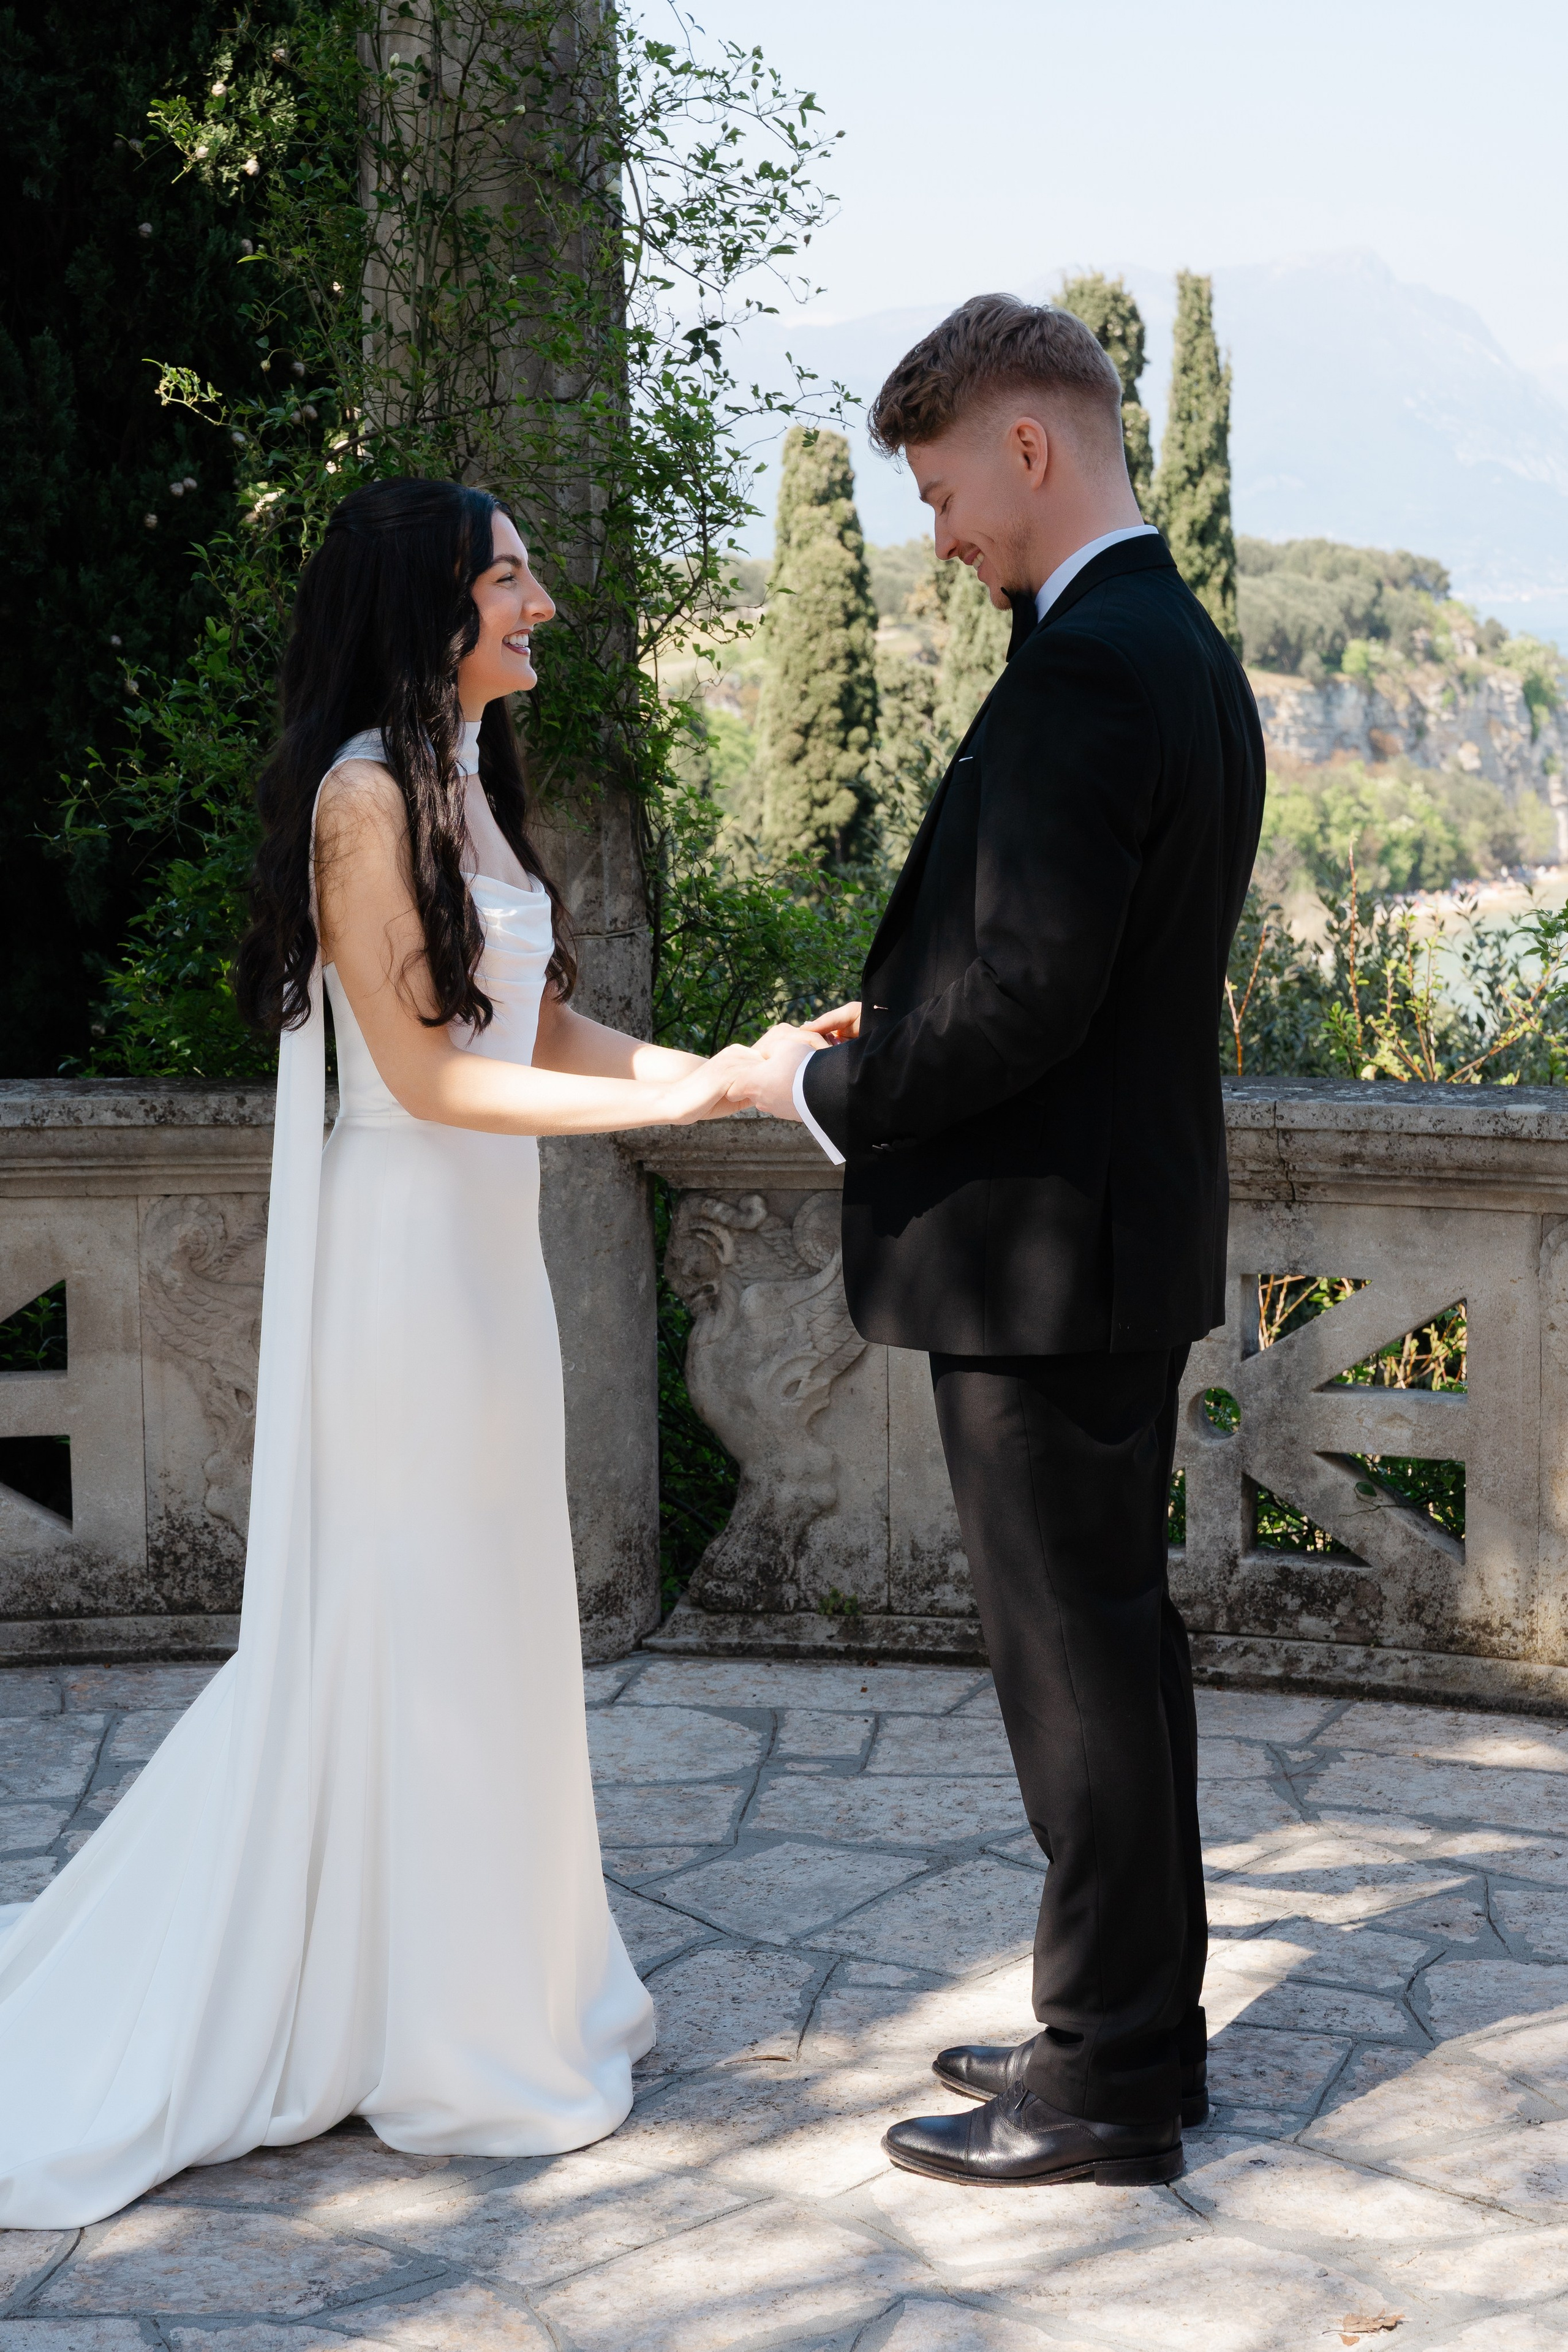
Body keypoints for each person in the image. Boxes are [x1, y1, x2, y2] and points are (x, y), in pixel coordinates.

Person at [0, 477, 755, 2228]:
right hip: (408, 1275)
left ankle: (481, 1988)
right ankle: (419, 2024)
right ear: (431, 607)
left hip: (487, 1279)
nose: (542, 602)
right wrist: (683, 1103)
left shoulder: (466, 787)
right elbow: (422, 1084)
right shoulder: (359, 798)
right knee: (408, 1621)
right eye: (509, 578)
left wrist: (733, 1072)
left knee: (490, 1614)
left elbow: (544, 1024)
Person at [733, 296, 1265, 2187]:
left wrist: (828, 1093)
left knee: (1075, 1670)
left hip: (1049, 1263)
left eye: (948, 492)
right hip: (1104, 1240)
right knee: (1113, 1653)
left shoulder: (1092, 667)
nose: (941, 537)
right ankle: (1137, 2032)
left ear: (1029, 448)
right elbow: (1071, 970)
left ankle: (1107, 2083)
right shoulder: (1165, 642)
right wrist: (909, 1014)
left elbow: (1032, 996)